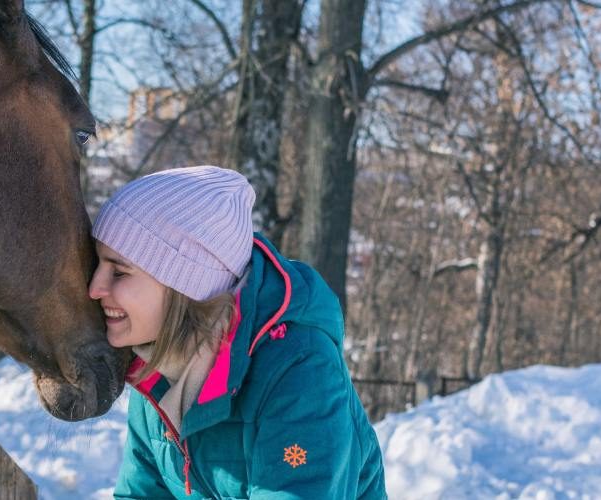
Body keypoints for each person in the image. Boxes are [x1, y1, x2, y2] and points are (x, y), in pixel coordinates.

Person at [88, 165, 386, 499]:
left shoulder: (299, 370)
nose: (95, 287)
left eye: (119, 272)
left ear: (182, 284)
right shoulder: (155, 366)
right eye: (97, 265)